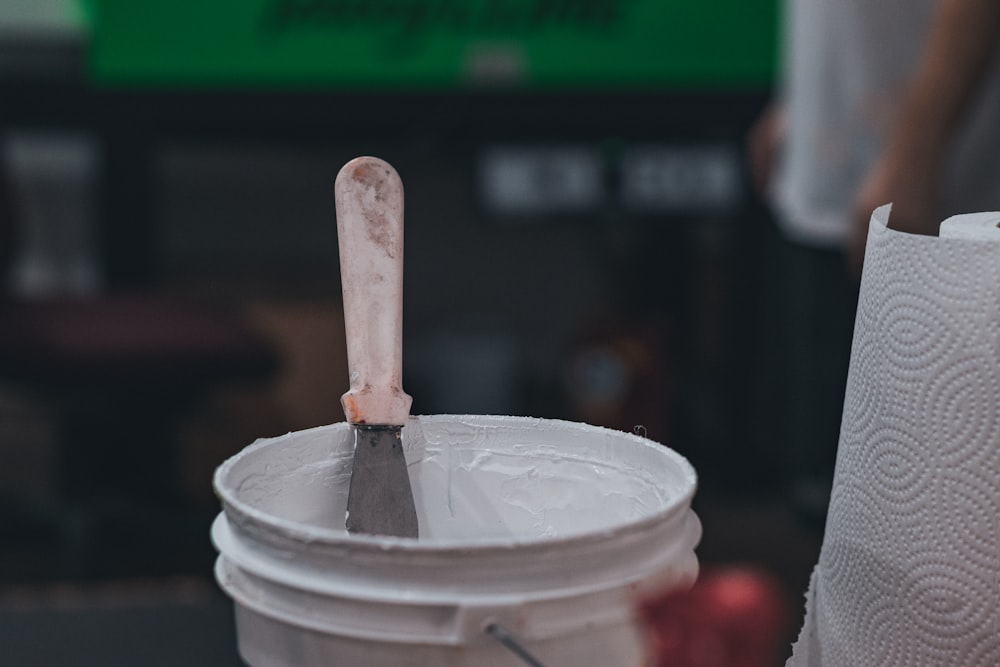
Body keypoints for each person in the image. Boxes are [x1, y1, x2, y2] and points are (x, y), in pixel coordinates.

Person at [748, 0, 1000, 524]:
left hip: (926, 202)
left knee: (925, 522)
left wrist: (911, 161)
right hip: (842, 174)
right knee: (835, 507)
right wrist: (804, 94)